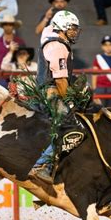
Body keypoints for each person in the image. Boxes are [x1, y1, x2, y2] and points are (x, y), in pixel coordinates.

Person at [28, 10, 83, 184]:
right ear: (62, 27)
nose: (75, 32)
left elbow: (46, 28)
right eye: (72, 28)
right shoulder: (58, 46)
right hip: (50, 92)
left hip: (44, 90)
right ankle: (42, 165)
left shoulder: (50, 36)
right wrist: (71, 101)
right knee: (70, 126)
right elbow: (60, 80)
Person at [91, 35, 111, 108]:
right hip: (100, 88)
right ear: (102, 47)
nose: (108, 47)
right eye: (105, 45)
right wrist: (94, 88)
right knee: (100, 110)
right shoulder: (98, 58)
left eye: (110, 45)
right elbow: (94, 73)